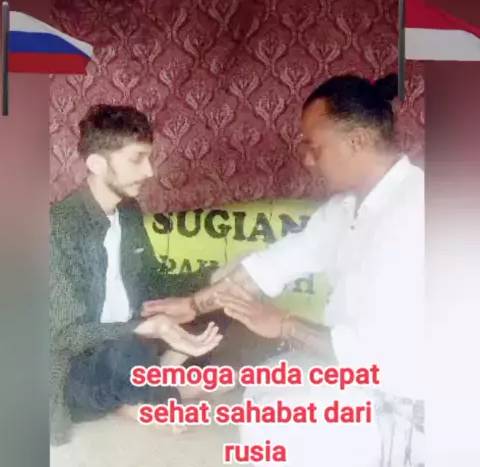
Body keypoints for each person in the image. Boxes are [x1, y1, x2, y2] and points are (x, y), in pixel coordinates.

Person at [148, 74, 425, 466]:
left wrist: (285, 325)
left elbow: (378, 357)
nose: (308, 161)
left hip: (407, 407)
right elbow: (269, 267)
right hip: (357, 376)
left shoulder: (414, 213)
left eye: (314, 147)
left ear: (357, 141)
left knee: (275, 417)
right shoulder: (347, 209)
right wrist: (193, 305)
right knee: (266, 391)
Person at [50, 104, 228, 446]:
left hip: (137, 330)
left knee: (222, 295)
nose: (149, 171)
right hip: (85, 359)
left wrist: (210, 282)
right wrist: (143, 328)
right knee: (128, 351)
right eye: (137, 159)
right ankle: (151, 390)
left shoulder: (129, 211)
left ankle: (154, 380)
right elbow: (64, 337)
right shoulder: (58, 228)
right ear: (97, 164)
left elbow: (152, 279)